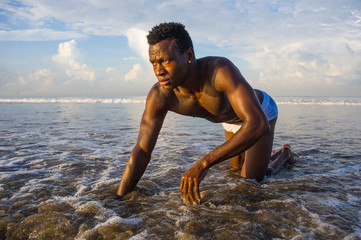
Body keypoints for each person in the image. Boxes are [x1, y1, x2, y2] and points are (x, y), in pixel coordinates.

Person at [116, 22, 294, 205]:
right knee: (236, 170)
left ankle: (284, 155)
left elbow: (258, 124)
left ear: (189, 55)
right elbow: (142, 150)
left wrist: (203, 163)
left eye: (165, 61)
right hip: (231, 119)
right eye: (153, 63)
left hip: (259, 112)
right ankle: (273, 155)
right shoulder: (160, 95)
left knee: (250, 182)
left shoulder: (219, 71)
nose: (158, 71)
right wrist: (119, 199)